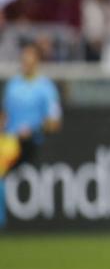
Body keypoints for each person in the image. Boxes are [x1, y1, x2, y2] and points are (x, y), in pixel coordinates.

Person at [0, 42, 62, 225]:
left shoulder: (46, 87)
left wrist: (34, 128)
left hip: (27, 141)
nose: (25, 61)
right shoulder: (13, 85)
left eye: (29, 57)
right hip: (7, 139)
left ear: (37, 61)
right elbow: (5, 114)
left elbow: (54, 122)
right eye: (23, 57)